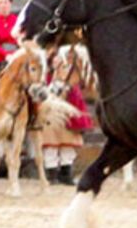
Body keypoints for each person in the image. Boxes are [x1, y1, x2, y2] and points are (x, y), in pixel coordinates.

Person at [38, 48, 96, 186]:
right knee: (51, 146)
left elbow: (76, 97)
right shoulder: (45, 77)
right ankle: (51, 173)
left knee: (67, 146)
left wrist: (68, 89)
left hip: (67, 116)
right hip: (51, 115)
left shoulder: (70, 80)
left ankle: (65, 173)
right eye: (55, 60)